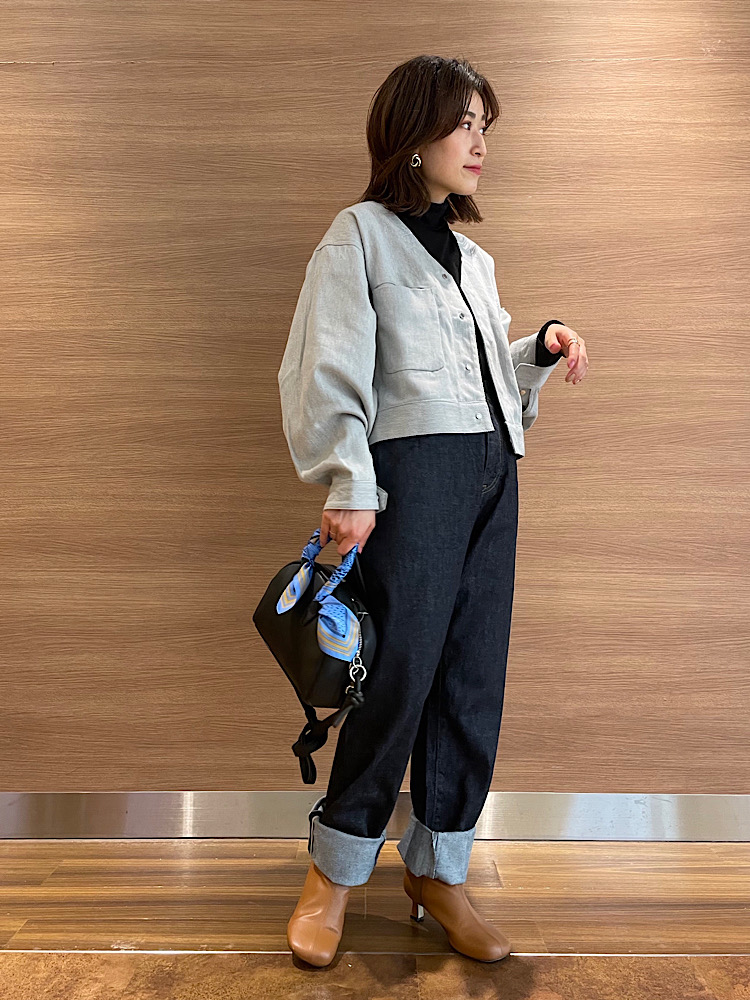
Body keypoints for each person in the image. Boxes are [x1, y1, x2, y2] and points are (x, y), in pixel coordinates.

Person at [278, 55, 589, 967]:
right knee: (401, 675)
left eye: (484, 125)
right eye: (463, 123)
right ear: (413, 136)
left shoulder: (475, 260)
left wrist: (536, 350)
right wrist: (349, 484)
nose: (478, 142)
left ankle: (438, 870)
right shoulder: (360, 237)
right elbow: (328, 369)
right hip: (414, 481)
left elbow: (478, 373)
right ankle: (334, 873)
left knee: (471, 680)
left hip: (495, 474)